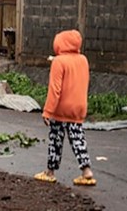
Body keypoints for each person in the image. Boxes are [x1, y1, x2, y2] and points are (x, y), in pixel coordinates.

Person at [34, 30, 96, 186]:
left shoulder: (58, 62)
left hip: (61, 109)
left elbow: (55, 89)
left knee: (56, 139)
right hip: (79, 107)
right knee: (78, 139)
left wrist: (48, 111)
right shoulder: (83, 60)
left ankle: (50, 172)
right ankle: (86, 171)